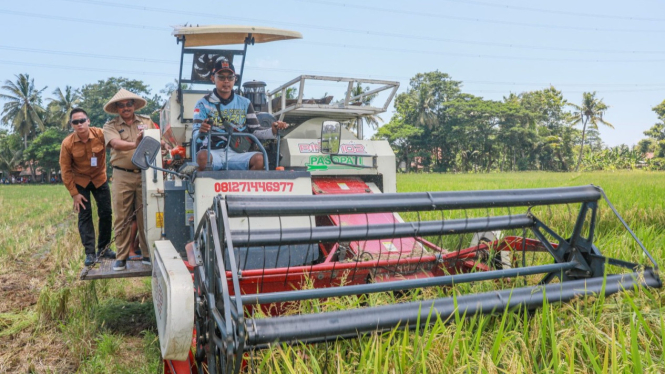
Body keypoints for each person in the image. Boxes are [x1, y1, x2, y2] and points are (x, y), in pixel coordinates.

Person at [193, 57, 288, 171]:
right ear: (213, 78)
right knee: (202, 157)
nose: (226, 81)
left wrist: (273, 130)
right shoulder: (202, 104)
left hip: (237, 154)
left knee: (260, 159)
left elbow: (255, 131)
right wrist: (201, 131)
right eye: (221, 77)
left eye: (230, 77)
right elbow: (195, 136)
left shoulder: (245, 103)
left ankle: (245, 188)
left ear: (235, 79)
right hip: (212, 153)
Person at [103, 89, 157, 271]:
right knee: (122, 216)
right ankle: (121, 257)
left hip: (145, 173)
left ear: (134, 105)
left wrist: (164, 145)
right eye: (121, 105)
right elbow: (115, 144)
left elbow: (158, 139)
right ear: (117, 108)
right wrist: (135, 144)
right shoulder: (110, 126)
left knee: (146, 215)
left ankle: (147, 253)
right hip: (122, 175)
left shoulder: (147, 121)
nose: (126, 108)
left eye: (129, 104)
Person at [59, 108, 115, 266]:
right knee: (85, 215)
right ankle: (90, 253)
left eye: (82, 120)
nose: (79, 124)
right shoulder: (67, 143)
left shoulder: (100, 134)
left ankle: (104, 249)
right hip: (80, 181)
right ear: (72, 124)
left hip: (99, 178)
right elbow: (65, 170)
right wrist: (74, 194)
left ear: (88, 121)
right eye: (75, 122)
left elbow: (115, 141)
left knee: (106, 213)